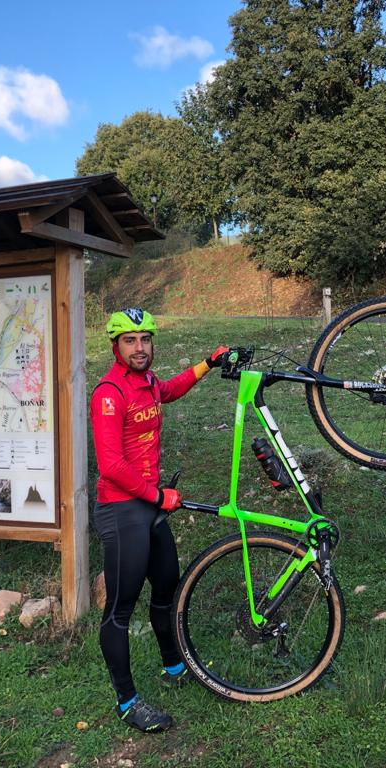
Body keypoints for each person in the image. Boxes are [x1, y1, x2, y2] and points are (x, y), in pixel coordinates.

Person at [90, 307, 228, 733]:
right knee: (120, 607)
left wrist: (208, 363)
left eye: (145, 339)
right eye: (130, 340)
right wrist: (157, 495)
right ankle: (128, 701)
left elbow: (168, 390)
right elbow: (110, 464)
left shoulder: (147, 383)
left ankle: (173, 666)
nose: (140, 347)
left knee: (167, 584)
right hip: (121, 508)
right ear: (116, 346)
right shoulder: (109, 393)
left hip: (150, 507)